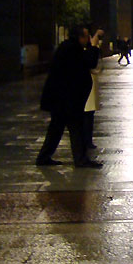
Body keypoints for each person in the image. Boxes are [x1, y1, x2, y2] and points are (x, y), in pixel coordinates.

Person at [36, 26, 103, 169]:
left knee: (56, 128)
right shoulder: (72, 49)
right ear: (80, 37)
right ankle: (80, 159)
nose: (87, 40)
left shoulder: (68, 47)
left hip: (62, 99)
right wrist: (94, 46)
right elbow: (90, 62)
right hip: (67, 99)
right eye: (86, 37)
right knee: (76, 128)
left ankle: (44, 157)